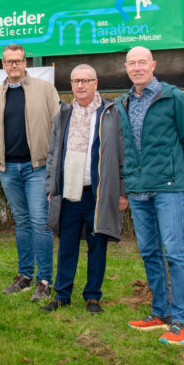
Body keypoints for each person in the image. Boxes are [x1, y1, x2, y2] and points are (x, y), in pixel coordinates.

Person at [118, 47, 184, 345]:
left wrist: (177, 176)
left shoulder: (173, 97)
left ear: (153, 65)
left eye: (142, 62)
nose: (137, 68)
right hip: (138, 190)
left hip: (167, 189)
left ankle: (182, 322)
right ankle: (160, 314)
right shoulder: (124, 102)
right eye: (132, 63)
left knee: (176, 254)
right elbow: (125, 147)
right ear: (126, 67)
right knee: (150, 253)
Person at [40, 65, 127, 314]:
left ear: (96, 83)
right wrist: (51, 186)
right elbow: (54, 152)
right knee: (67, 245)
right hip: (69, 191)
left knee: (97, 245)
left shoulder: (110, 113)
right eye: (76, 81)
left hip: (98, 193)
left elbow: (122, 154)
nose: (80, 85)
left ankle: (92, 296)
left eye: (85, 81)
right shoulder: (64, 113)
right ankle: (61, 294)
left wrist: (122, 191)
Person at [0, 44, 60, 302]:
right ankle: (25, 276)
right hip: (8, 170)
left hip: (37, 168)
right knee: (23, 223)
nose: (13, 65)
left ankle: (45, 280)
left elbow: (58, 130)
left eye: (18, 61)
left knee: (40, 223)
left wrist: (55, 168)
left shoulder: (45, 91)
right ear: (2, 64)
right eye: (9, 61)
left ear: (25, 63)